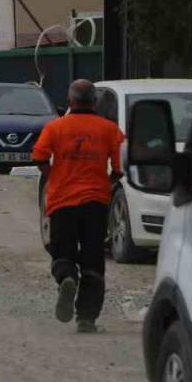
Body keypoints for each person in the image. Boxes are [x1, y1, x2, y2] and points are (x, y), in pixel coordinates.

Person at [31, 79, 124, 334]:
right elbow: (117, 169)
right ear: (94, 102)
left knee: (61, 252)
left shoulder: (55, 128)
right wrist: (106, 181)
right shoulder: (109, 130)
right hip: (96, 203)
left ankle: (67, 277)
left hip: (63, 201)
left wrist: (55, 176)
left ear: (70, 102)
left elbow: (39, 157)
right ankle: (86, 318)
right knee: (94, 259)